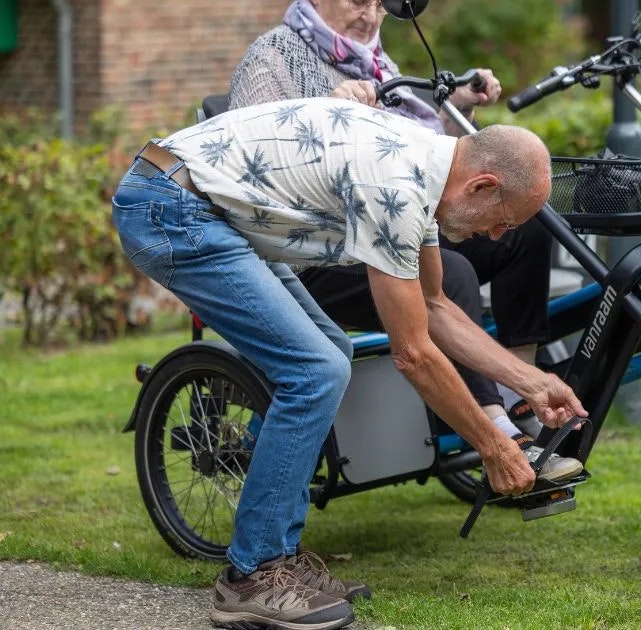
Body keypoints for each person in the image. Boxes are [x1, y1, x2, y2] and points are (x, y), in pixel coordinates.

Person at [111, 97, 588, 629]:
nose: (498, 237)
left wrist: (533, 380)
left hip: (205, 206)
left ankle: (278, 562)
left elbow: (435, 307)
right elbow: (413, 354)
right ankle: (252, 574)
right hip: (172, 207)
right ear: (481, 186)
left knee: (328, 356)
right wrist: (495, 445)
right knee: (315, 371)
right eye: (503, 222)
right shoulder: (397, 187)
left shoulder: (425, 171)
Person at [228, 0, 563, 452]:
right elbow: (256, 142)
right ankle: (493, 426)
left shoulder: (380, 65)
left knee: (527, 232)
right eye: (357, 1)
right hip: (324, 240)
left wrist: (457, 106)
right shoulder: (273, 54)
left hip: (397, 217)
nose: (369, 14)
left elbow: (430, 165)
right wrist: (327, 109)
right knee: (449, 273)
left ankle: (517, 385)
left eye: (379, 5)